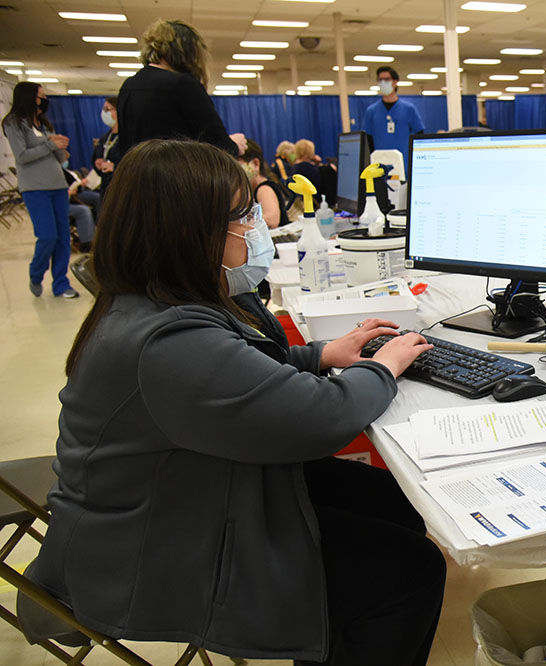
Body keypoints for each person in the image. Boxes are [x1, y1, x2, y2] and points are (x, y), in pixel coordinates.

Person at [27, 139, 446, 666]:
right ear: (191, 233)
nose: (257, 225)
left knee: (391, 500)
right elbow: (321, 418)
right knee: (409, 573)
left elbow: (234, 376)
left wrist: (318, 355)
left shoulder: (154, 301)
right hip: (160, 538)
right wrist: (382, 367)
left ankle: (333, 639)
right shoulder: (166, 342)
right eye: (243, 213)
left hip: (193, 487)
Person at [116, 19, 246, 158]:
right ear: (188, 51)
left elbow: (124, 146)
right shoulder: (182, 85)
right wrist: (235, 144)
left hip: (135, 175)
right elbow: (219, 146)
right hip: (175, 176)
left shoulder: (129, 86)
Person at [2, 82, 78, 298]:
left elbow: (56, 156)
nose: (44, 101)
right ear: (28, 97)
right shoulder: (14, 123)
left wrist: (62, 150)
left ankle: (61, 284)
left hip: (58, 186)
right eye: (40, 96)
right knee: (47, 236)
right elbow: (23, 156)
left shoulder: (44, 124)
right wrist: (50, 145)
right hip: (35, 188)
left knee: (63, 237)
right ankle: (36, 274)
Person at [362, 66, 425, 158]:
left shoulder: (408, 109)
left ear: (395, 82)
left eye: (387, 79)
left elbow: (420, 133)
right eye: (380, 80)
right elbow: (367, 139)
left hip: (403, 162)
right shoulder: (371, 111)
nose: (383, 83)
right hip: (379, 161)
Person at [239, 138, 289, 228]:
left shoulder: (264, 189)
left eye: (238, 167)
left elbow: (271, 220)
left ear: (255, 163)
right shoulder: (254, 190)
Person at [91, 96, 122, 199]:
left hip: (122, 189)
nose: (104, 113)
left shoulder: (129, 138)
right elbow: (95, 159)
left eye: (108, 109)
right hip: (106, 188)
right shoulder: (104, 138)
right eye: (104, 109)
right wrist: (98, 164)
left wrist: (115, 167)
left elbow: (136, 166)